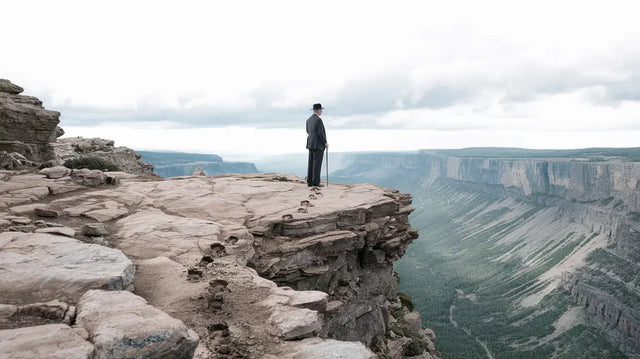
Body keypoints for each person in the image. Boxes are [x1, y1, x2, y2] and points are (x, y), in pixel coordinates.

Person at [306, 103, 328, 187]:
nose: (321, 111)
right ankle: (316, 182)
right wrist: (325, 143)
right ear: (318, 110)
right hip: (318, 145)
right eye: (321, 110)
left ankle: (309, 181)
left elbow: (308, 131)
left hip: (310, 144)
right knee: (317, 164)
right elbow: (320, 133)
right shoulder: (318, 120)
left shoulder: (308, 120)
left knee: (311, 163)